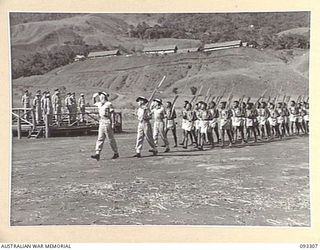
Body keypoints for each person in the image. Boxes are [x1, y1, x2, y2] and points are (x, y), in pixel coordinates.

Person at [91, 92, 119, 161]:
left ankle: (116, 152)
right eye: (100, 96)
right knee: (100, 138)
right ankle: (97, 153)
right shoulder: (100, 104)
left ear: (104, 97)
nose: (100, 97)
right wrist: (94, 97)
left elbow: (112, 114)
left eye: (101, 96)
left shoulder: (108, 104)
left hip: (107, 121)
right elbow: (94, 103)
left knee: (110, 139)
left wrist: (113, 123)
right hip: (101, 121)